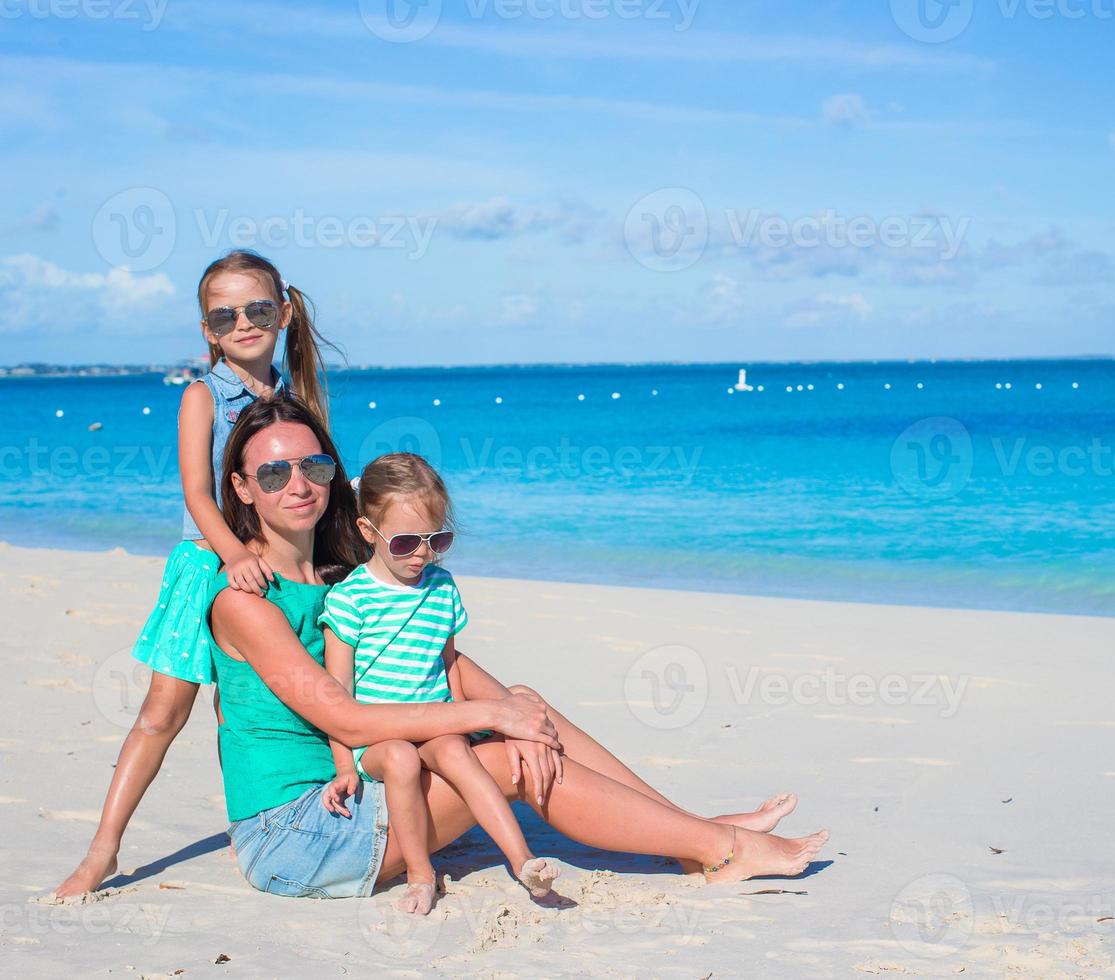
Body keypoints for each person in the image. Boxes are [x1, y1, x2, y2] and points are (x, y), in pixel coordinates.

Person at [208, 395, 828, 901]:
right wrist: (492, 718)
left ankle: (689, 829)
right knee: (503, 757)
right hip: (300, 833)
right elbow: (340, 715)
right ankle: (724, 849)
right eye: (272, 472)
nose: (297, 483)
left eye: (312, 467)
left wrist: (515, 709)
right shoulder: (246, 602)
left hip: (369, 785)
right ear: (241, 488)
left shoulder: (339, 576)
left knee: (530, 710)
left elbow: (445, 659)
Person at [55, 250, 339, 898]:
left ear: (284, 314)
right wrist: (233, 555)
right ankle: (102, 851)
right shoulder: (201, 394)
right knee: (162, 714)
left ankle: (261, 818)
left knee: (240, 712)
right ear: (208, 330)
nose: (245, 323)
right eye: (226, 314)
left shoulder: (293, 400)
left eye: (259, 309)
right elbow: (197, 491)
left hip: (272, 570)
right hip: (208, 565)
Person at [320, 452, 560, 913]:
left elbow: (448, 663)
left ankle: (522, 859)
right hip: (377, 737)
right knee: (401, 756)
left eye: (437, 539)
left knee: (454, 750)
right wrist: (345, 766)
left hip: (436, 722)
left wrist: (465, 721)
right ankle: (420, 874)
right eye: (407, 541)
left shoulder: (442, 587)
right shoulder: (350, 599)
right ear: (368, 532)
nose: (422, 554)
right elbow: (337, 696)